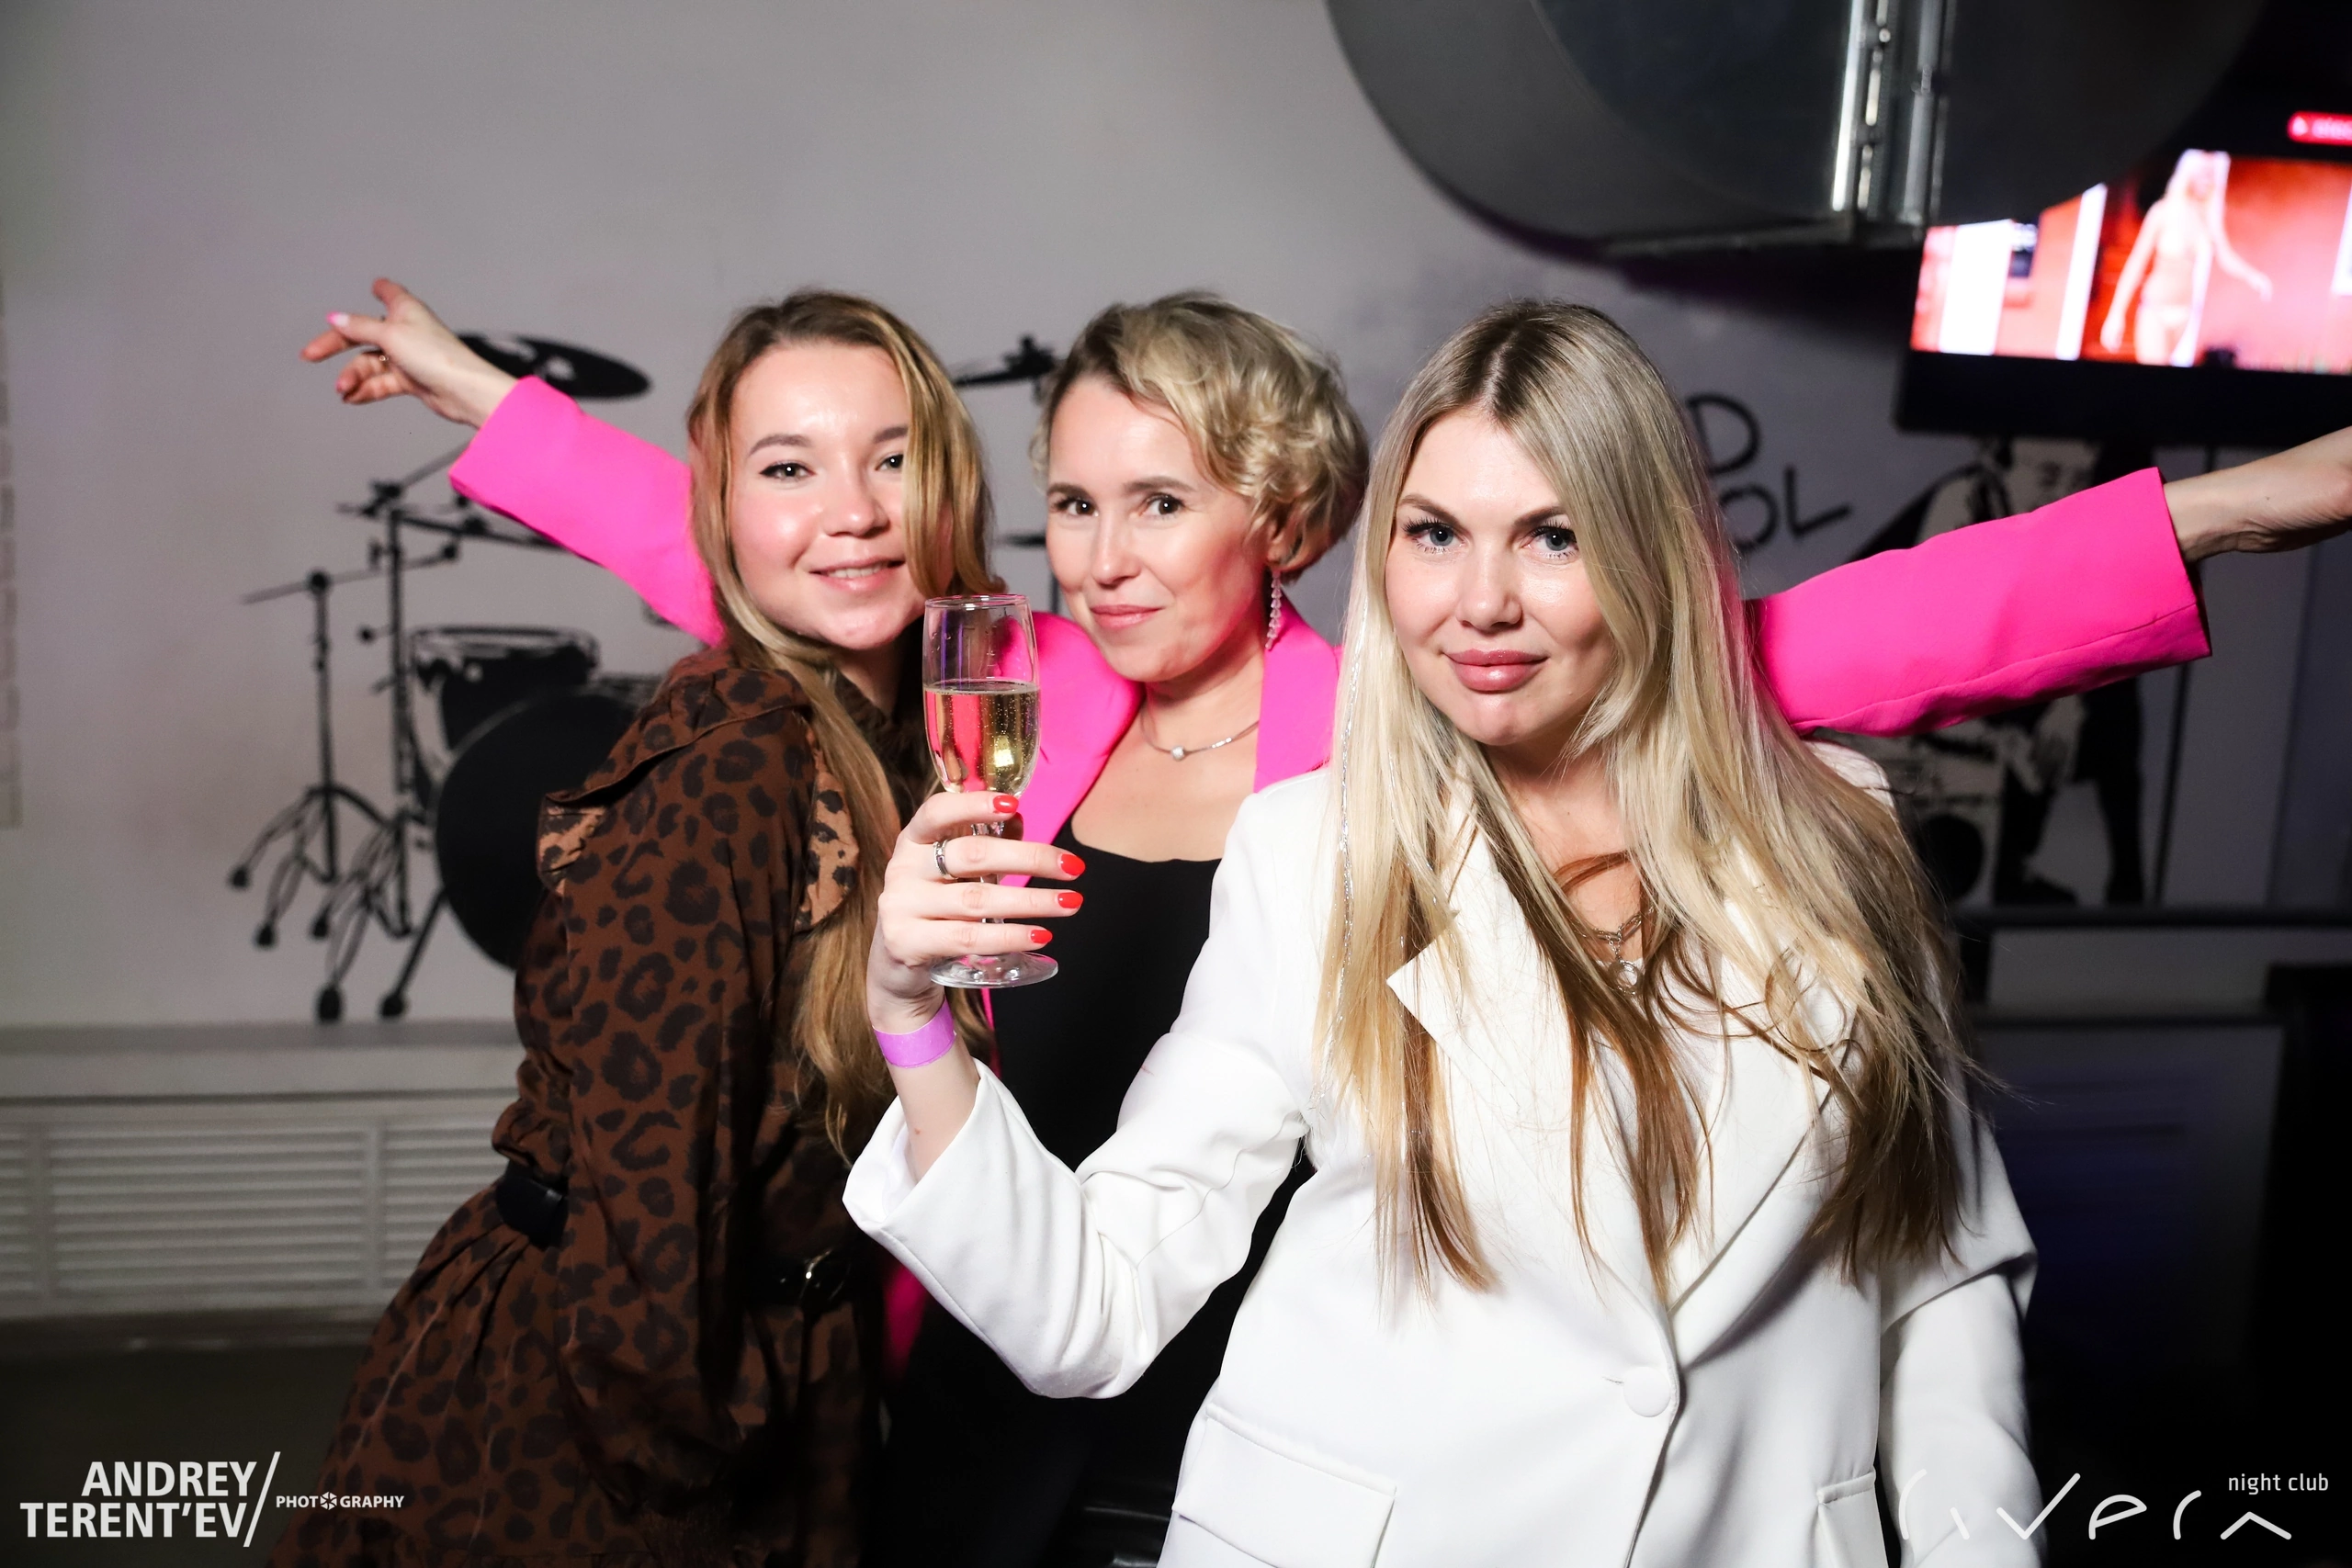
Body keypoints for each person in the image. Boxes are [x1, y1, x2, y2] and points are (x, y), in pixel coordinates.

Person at [305, 276, 2310, 1568]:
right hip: (1006, 1353)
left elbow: (1832, 636)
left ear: (1273, 516)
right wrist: (492, 403)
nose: (1100, 558)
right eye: (1070, 505)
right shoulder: (1013, 693)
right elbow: (762, 556)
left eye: (1159, 503)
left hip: (1288, 1393)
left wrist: (2226, 507)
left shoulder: (1392, 723)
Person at [272, 290, 999, 1568]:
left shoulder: (909, 735)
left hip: (799, 1370)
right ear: (720, 510)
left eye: (893, 459)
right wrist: (699, 1447)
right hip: (623, 1403)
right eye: (789, 468)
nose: (854, 510)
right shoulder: (735, 763)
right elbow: (644, 1202)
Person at [2099, 149, 2273, 367]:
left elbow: (2226, 256)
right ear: (2189, 171)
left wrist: (2253, 276)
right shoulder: (2163, 211)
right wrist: (2116, 313)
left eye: (2212, 174)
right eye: (2203, 172)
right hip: (2156, 309)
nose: (2207, 180)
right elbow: (2136, 263)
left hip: (2185, 312)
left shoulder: (2209, 218)